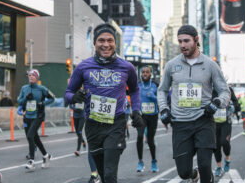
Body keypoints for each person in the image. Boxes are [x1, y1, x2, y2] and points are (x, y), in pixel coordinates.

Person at [65, 23, 144, 183]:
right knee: (102, 173)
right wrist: (74, 98)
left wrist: (136, 111)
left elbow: (135, 90)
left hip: (116, 124)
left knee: (109, 174)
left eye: (110, 40)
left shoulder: (126, 67)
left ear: (115, 43)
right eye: (101, 40)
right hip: (93, 125)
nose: (106, 44)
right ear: (94, 43)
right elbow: (68, 93)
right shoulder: (83, 67)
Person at [157, 25, 230, 183]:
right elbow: (161, 90)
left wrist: (217, 102)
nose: (182, 45)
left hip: (204, 121)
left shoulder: (210, 65)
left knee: (205, 165)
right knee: (183, 172)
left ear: (196, 40)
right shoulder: (171, 65)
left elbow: (225, 91)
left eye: (186, 41)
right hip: (180, 124)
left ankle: (205, 176)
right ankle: (193, 175)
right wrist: (164, 108)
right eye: (180, 41)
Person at [17, 69, 55, 171]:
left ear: (37, 77)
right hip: (27, 116)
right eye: (29, 75)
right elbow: (19, 101)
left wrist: (43, 104)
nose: (31, 77)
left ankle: (31, 161)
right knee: (35, 138)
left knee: (30, 135)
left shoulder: (42, 89)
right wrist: (25, 98)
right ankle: (46, 155)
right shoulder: (24, 88)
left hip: (38, 116)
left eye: (33, 75)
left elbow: (52, 98)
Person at [135, 66, 159, 173]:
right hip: (142, 115)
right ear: (141, 74)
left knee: (150, 140)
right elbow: (134, 98)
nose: (145, 74)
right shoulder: (138, 86)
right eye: (143, 72)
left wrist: (153, 96)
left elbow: (162, 99)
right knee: (140, 136)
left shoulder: (155, 85)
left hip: (153, 116)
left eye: (147, 72)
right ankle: (140, 162)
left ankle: (154, 161)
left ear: (150, 74)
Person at [213, 85, 239, 177]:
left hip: (226, 122)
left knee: (224, 142)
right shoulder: (208, 89)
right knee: (216, 146)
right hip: (213, 123)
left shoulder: (228, 89)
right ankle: (219, 167)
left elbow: (236, 102)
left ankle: (227, 159)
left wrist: (234, 107)